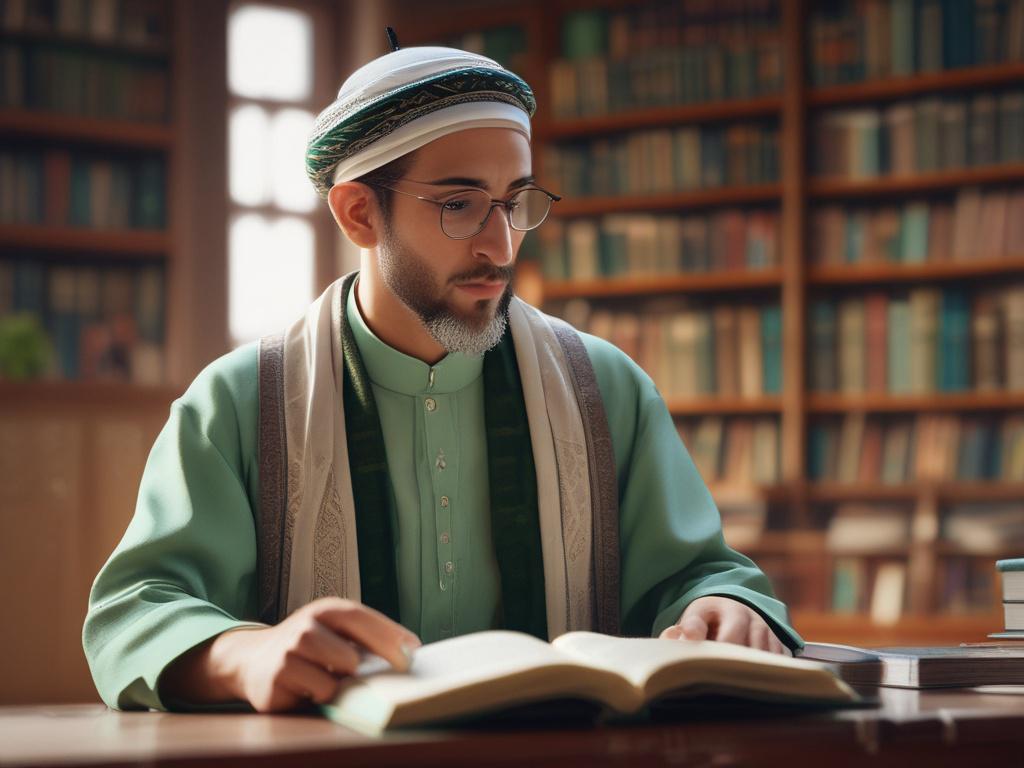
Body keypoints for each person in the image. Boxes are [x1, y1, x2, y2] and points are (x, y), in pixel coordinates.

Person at [83, 40, 803, 715]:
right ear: (360, 213)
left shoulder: (605, 390)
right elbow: (136, 608)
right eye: (459, 205)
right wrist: (243, 656)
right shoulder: (241, 403)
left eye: (515, 202)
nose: (500, 244)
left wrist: (725, 607)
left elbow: (700, 574)